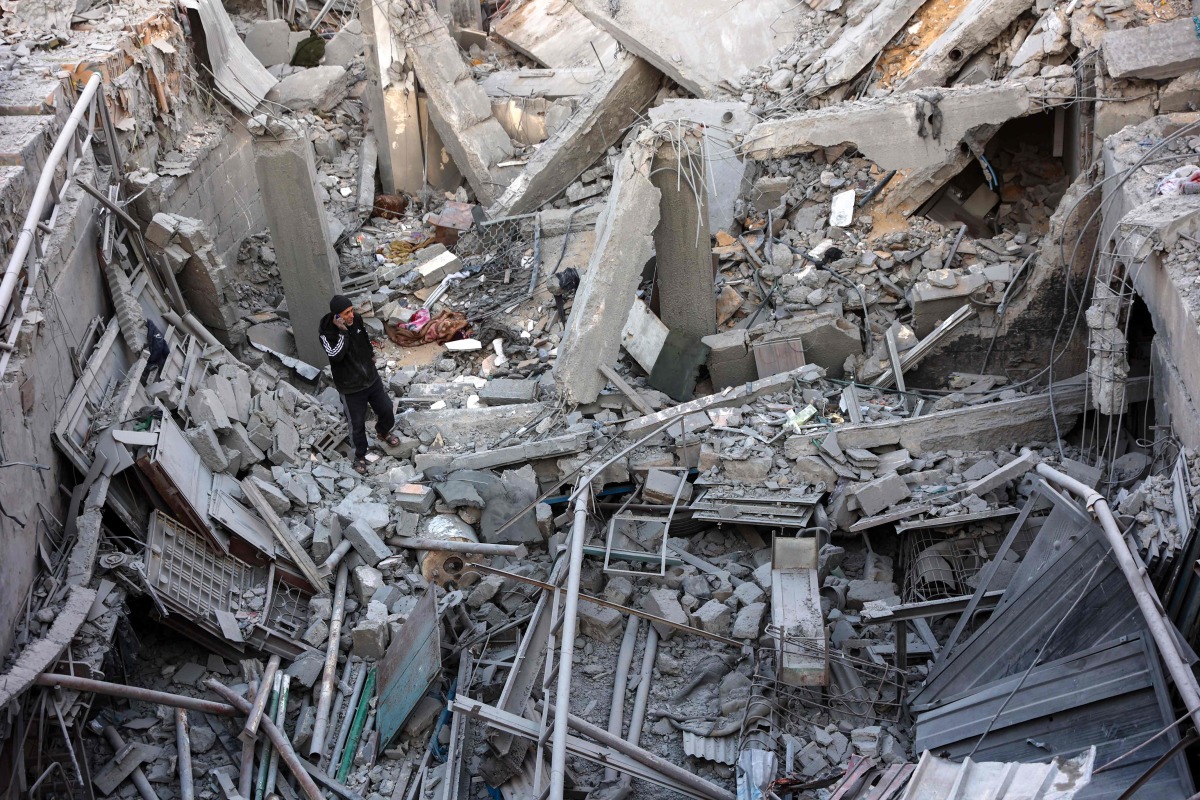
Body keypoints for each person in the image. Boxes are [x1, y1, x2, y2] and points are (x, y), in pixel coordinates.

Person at [319, 294, 402, 475]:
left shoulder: (355, 319)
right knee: (357, 424)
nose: (351, 315)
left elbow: (363, 336)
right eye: (346, 313)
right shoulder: (326, 332)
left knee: (387, 409)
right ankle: (360, 456)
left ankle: (383, 432)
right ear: (336, 316)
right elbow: (335, 355)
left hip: (370, 379)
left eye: (351, 311)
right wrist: (343, 332)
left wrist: (370, 354)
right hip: (350, 387)